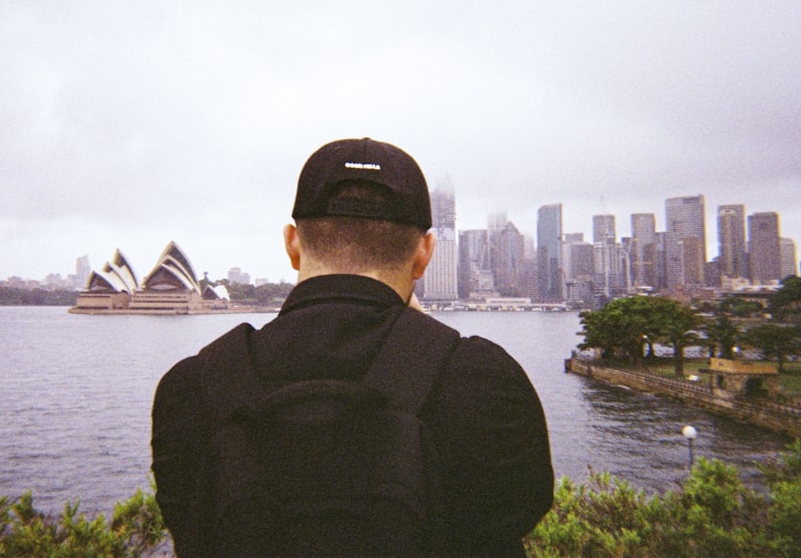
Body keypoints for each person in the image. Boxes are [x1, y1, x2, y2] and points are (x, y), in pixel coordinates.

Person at [151, 138, 554, 557]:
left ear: (292, 243)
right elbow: (520, 510)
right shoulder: (486, 383)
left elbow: (187, 524)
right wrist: (421, 337)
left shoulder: (191, 388)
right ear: (425, 253)